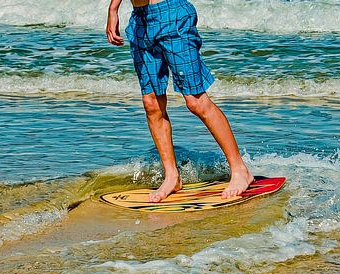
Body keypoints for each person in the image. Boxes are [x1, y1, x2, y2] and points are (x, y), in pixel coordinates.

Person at [106, 0, 254, 203]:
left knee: (196, 101)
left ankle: (240, 170)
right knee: (151, 103)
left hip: (172, 16)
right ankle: (172, 177)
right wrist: (113, 8)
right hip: (141, 20)